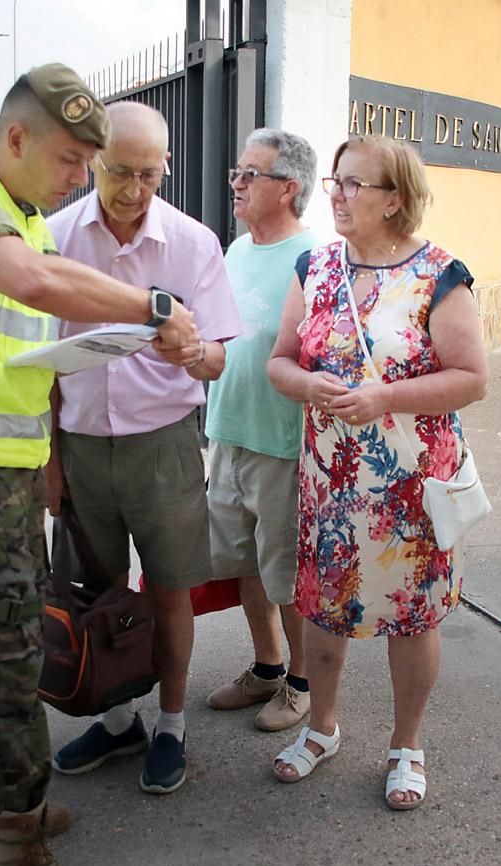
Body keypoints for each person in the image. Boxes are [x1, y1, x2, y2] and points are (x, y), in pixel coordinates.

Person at [0, 65, 198, 866]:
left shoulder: (20, 211)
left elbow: (22, 339)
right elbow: (28, 280)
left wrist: (47, 454)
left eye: (94, 165)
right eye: (71, 163)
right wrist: (150, 306)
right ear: (15, 138)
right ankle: (17, 832)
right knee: (9, 648)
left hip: (1, 465)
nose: (81, 181)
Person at [264, 135, 488, 810]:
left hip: (411, 490)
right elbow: (279, 361)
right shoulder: (316, 266)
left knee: (412, 618)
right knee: (326, 611)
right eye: (335, 181)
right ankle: (323, 727)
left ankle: (406, 744)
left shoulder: (440, 275)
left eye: (354, 183)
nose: (336, 192)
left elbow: (472, 379)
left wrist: (384, 395)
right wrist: (309, 386)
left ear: (396, 199)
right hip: (332, 481)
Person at [46, 101, 241, 795]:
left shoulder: (191, 244)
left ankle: (171, 722)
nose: (133, 190)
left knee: (169, 591)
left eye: (149, 176)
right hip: (79, 442)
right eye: (120, 172)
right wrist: (50, 459)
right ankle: (119, 715)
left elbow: (218, 359)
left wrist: (194, 350)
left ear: (165, 169)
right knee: (98, 589)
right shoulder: (55, 236)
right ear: (95, 159)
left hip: (163, 445)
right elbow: (37, 356)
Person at [204, 128, 319, 732]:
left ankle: (304, 682)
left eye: (251, 175)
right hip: (228, 431)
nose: (238, 185)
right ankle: (268, 668)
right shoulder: (236, 249)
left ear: (288, 188)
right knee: (245, 564)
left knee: (287, 575)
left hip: (282, 443)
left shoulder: (317, 260)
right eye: (238, 173)